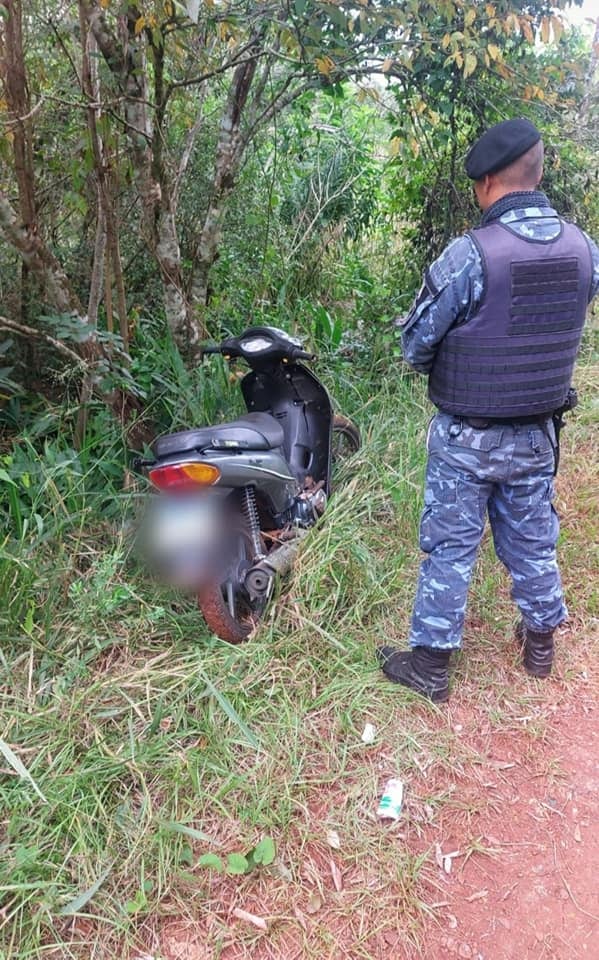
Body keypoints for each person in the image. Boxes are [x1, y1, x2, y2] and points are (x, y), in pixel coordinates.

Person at [378, 118, 599, 702]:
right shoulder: (584, 249)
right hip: (536, 436)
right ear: (540, 173)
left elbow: (414, 345)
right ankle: (541, 644)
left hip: (467, 437)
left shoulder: (470, 255)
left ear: (486, 185)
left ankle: (430, 666)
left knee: (450, 545)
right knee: (532, 537)